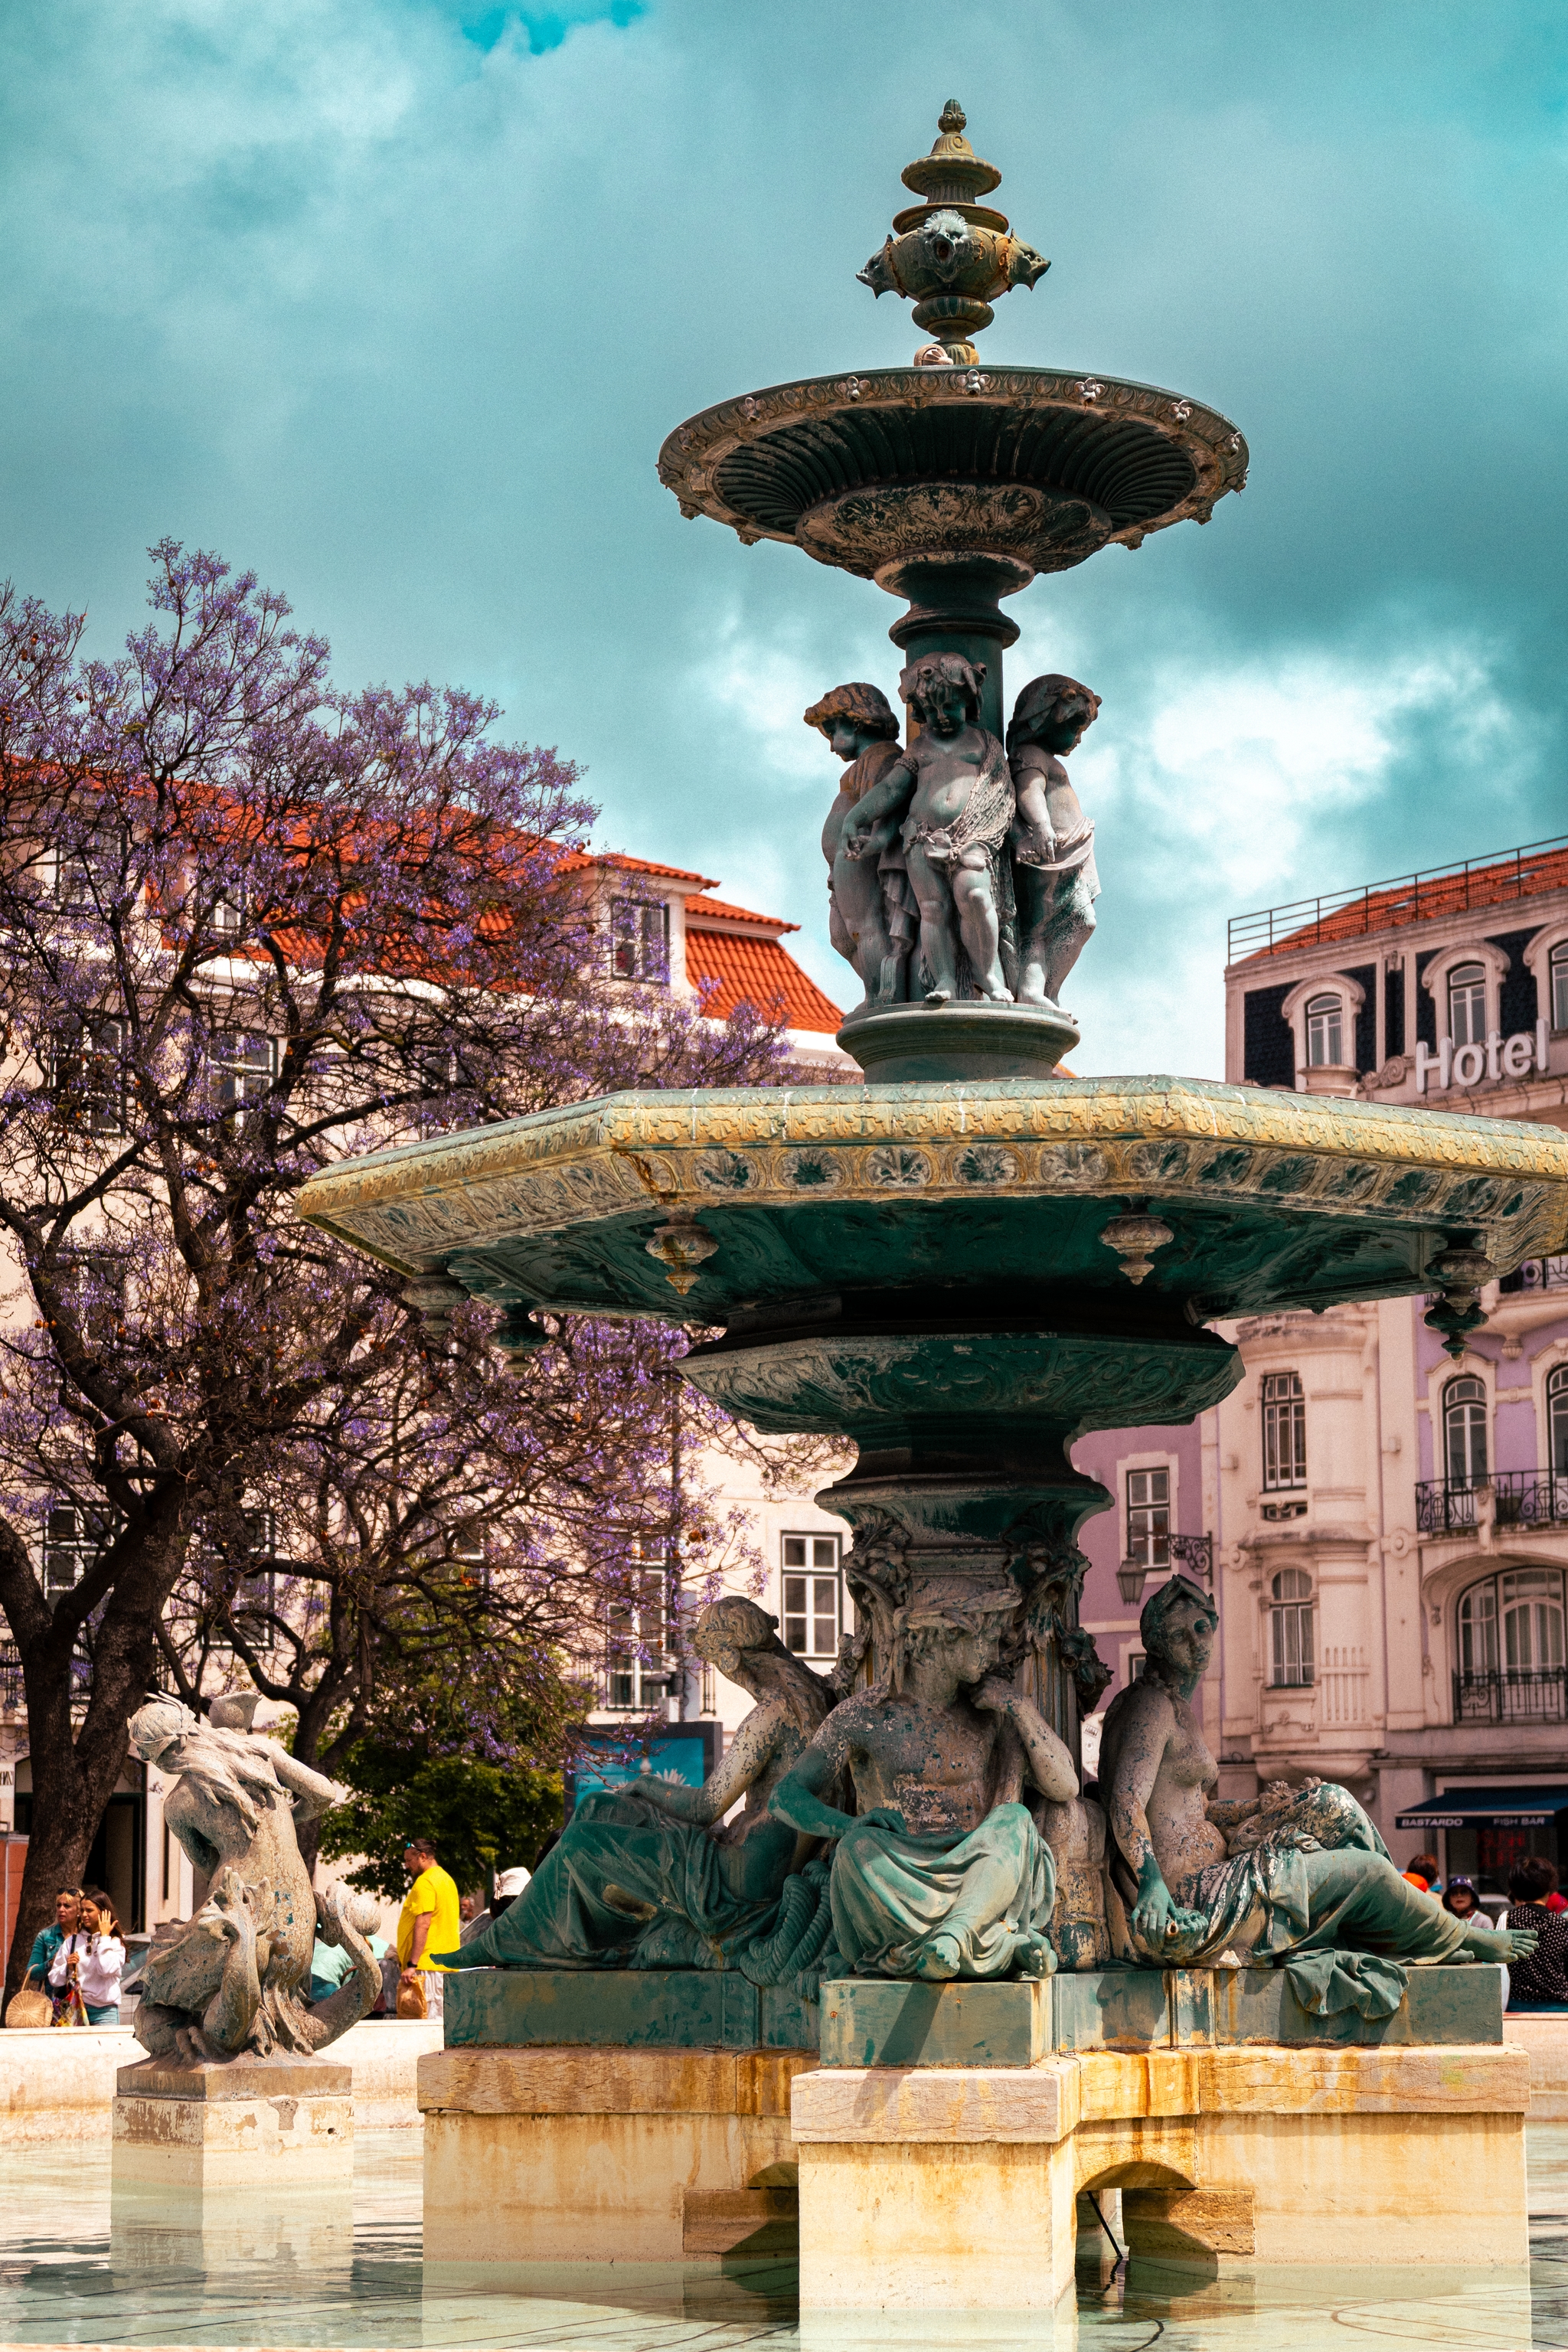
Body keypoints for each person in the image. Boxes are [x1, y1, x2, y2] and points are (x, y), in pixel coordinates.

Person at [1098, 1576, 1537, 1987]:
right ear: (1157, 1645)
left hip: (1221, 1867)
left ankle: (1416, 1934)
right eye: (1179, 1636)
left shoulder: (1175, 1708)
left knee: (1332, 1802)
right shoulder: (1150, 1706)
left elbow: (1198, 1810)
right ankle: (1457, 1936)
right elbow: (1125, 1802)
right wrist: (1150, 1882)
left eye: (1201, 1628)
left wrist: (1259, 1808)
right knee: (1365, 1871)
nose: (1196, 1644)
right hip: (1196, 1892)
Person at [439, 1599, 837, 1980]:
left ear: (731, 1655)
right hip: (754, 1859)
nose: (722, 1671)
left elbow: (706, 1807)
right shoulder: (813, 1697)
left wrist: (646, 1784)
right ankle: (523, 1931)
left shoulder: (769, 1714)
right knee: (597, 1805)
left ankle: (507, 1941)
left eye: (716, 1661)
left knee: (581, 1841)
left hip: (738, 1874)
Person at [769, 1579, 1078, 1981]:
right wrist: (848, 1825)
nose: (992, 1653)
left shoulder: (991, 1711)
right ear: (939, 1640)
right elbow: (785, 1796)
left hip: (977, 1869)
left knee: (1016, 1821)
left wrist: (1018, 1706)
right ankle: (987, 1947)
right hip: (898, 1869)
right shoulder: (864, 1716)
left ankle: (955, 1935)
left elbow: (1066, 1786)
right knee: (855, 1849)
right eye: (982, 1639)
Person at [844, 653, 1015, 1005]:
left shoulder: (983, 743)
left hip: (971, 837)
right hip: (920, 838)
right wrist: (855, 818)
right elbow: (891, 789)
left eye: (950, 706)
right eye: (931, 710)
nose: (941, 717)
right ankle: (946, 978)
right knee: (933, 910)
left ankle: (988, 975)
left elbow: (1001, 790)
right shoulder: (920, 747)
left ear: (969, 700)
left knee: (977, 897)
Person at [806, 681, 911, 1009]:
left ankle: (883, 995)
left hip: (860, 855)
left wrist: (876, 840)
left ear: (855, 721)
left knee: (865, 929)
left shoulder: (881, 757)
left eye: (832, 730)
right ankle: (876, 988)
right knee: (842, 937)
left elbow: (888, 803)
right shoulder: (864, 762)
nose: (831, 746)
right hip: (845, 861)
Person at [1006, 674, 1101, 1014]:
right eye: (1074, 729)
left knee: (1079, 922)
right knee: (1040, 926)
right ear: (1047, 718)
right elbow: (1029, 791)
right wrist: (1042, 826)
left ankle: (1047, 989)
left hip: (1069, 852)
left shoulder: (1046, 757)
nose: (1077, 739)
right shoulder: (1030, 753)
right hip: (1049, 852)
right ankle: (1033, 989)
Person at [397, 1838, 461, 2019]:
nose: (406, 1865)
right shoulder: (447, 1880)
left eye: (409, 1860)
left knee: (427, 2023)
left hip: (427, 1965)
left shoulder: (425, 1883)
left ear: (423, 1857)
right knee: (441, 2023)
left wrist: (412, 1965)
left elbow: (423, 1924)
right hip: (445, 1965)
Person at [1505, 1860, 1568, 2009]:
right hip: (1558, 2007)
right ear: (1549, 1886)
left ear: (1515, 1889)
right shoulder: (1561, 1924)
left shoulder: (1506, 1920)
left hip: (1515, 2005)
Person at [310, 1893, 387, 2005]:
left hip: (309, 1977)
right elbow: (350, 1977)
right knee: (333, 2018)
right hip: (327, 1981)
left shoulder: (337, 1940)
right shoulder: (356, 1948)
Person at [73, 1888, 126, 2024]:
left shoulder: (115, 1942)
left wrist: (104, 1938)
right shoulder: (73, 1941)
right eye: (82, 1910)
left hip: (105, 2012)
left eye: (89, 1910)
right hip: (77, 2009)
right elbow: (56, 1980)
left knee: (106, 2045)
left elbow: (106, 1970)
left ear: (104, 1913)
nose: (84, 1915)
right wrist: (67, 1967)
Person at [22, 1889, 80, 1991]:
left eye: (67, 1906)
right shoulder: (46, 1936)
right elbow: (31, 1973)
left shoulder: (87, 1936)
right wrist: (51, 1963)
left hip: (83, 2000)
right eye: (58, 1905)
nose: (61, 1909)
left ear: (79, 1910)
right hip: (52, 2001)